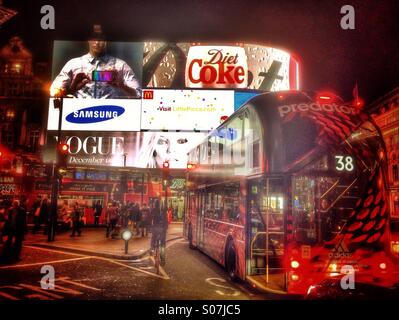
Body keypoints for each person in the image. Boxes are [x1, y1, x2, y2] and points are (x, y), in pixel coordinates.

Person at [50, 25, 141, 99]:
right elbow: (54, 92)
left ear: (106, 40)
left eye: (101, 38)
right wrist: (72, 89)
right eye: (94, 37)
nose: (97, 42)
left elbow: (138, 94)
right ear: (88, 39)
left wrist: (121, 85)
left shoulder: (121, 66)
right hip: (81, 116)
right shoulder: (73, 64)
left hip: (112, 116)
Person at [150, 199, 168, 265]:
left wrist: (150, 228)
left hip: (155, 228)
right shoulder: (164, 211)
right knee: (162, 244)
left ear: (155, 204)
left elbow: (150, 219)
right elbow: (166, 221)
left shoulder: (153, 210)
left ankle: (152, 249)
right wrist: (165, 229)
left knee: (153, 238)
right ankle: (162, 259)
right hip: (162, 229)